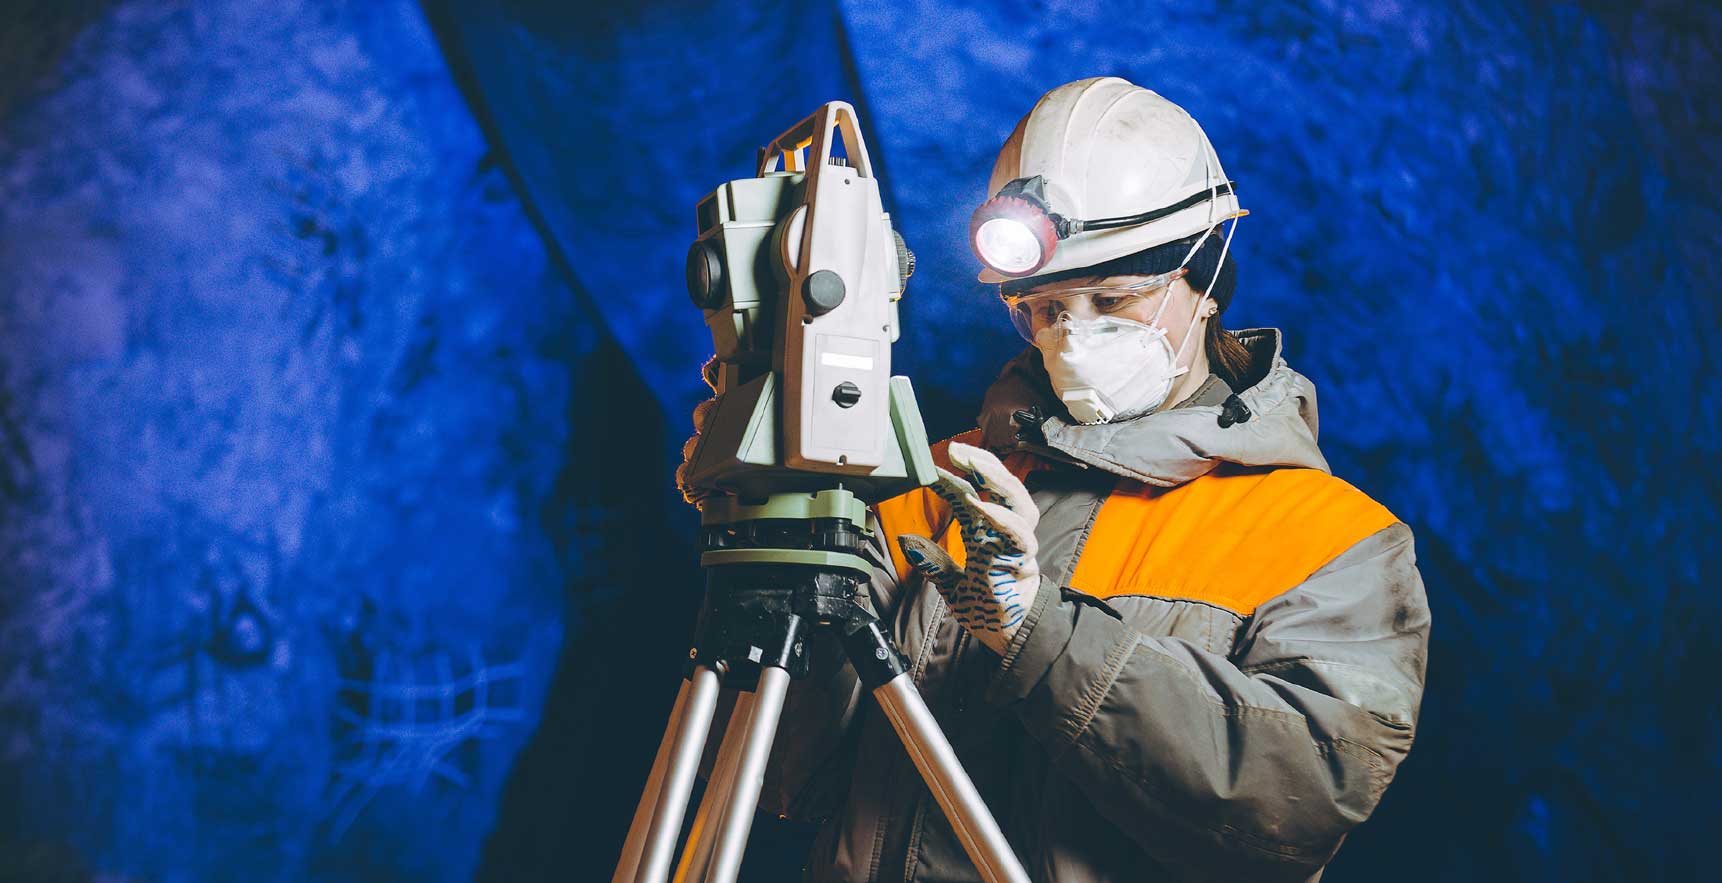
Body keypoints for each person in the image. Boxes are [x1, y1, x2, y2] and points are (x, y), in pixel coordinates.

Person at [678, 76, 1431, 882]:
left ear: (1206, 280)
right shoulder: (941, 481)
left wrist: (1039, 632)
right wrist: (782, 512)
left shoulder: (1332, 541)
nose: (1072, 337)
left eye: (1113, 297)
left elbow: (1303, 799)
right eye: (1043, 307)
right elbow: (792, 773)